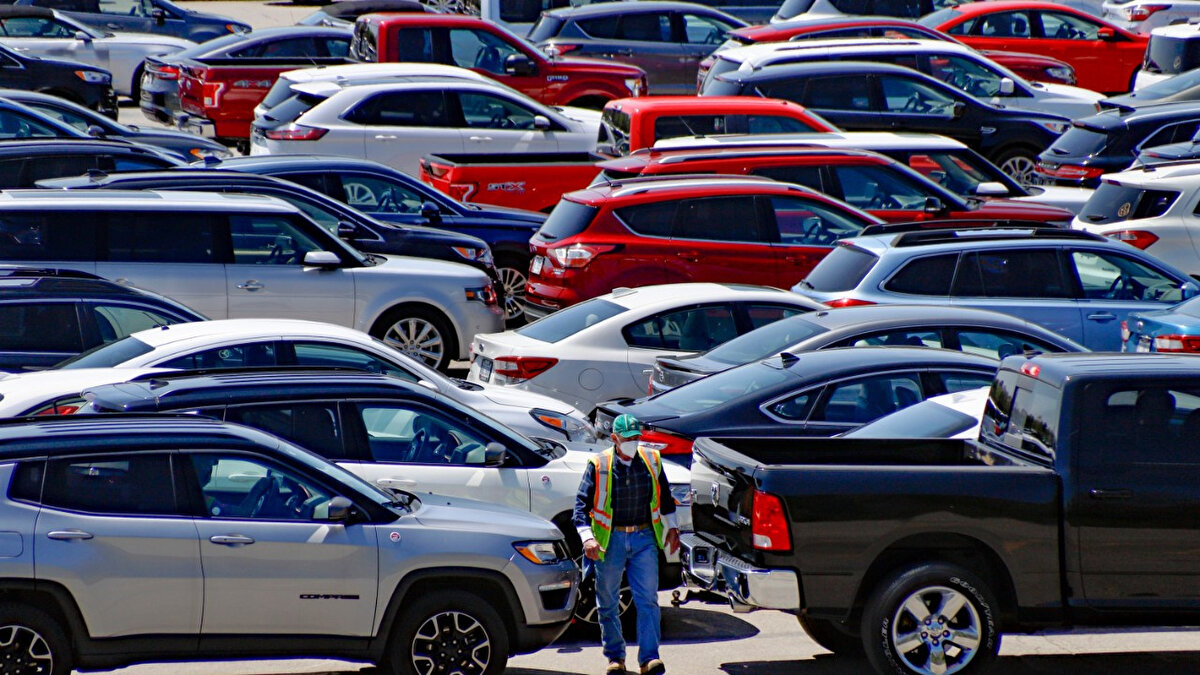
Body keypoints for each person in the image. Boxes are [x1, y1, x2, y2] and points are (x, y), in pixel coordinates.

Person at [573, 414, 680, 675]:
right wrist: (588, 539)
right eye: (628, 439)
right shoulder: (599, 465)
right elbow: (580, 509)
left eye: (636, 438)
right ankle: (615, 658)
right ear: (614, 439)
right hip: (611, 541)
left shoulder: (652, 461)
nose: (633, 443)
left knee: (648, 601)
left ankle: (649, 659)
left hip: (643, 538)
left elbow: (665, 497)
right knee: (608, 601)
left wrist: (673, 527)